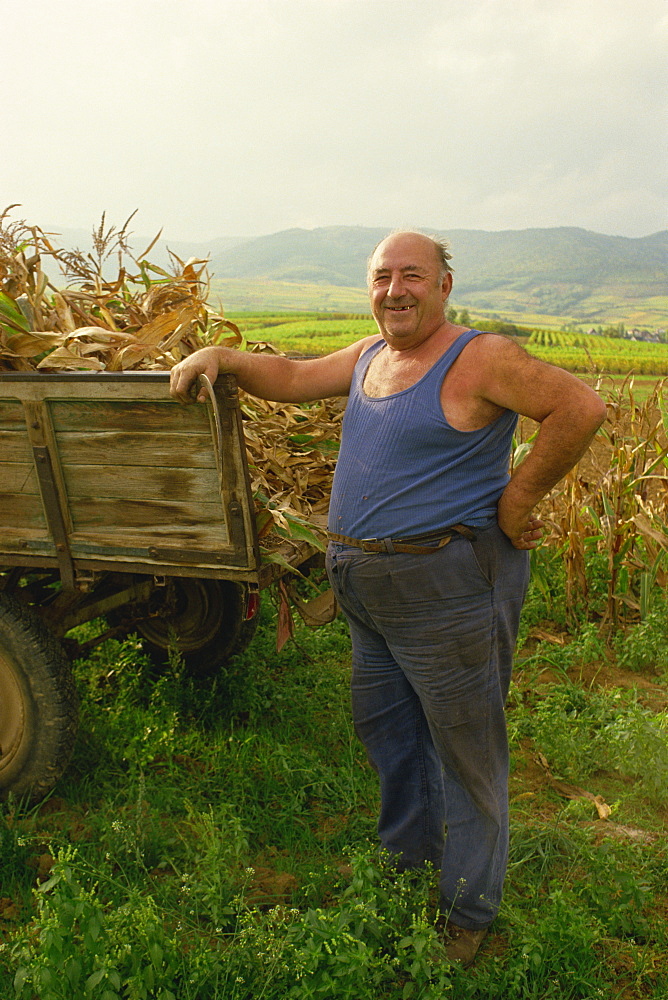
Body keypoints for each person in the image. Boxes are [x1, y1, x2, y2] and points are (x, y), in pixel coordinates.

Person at [170, 230, 607, 967]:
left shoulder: (480, 358)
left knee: (467, 754)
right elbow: (294, 373)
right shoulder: (374, 356)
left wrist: (519, 495)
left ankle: (467, 914)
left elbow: (581, 407)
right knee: (392, 738)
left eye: (412, 275)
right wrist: (221, 358)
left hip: (449, 589)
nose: (395, 290)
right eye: (382, 277)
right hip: (369, 595)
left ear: (443, 285)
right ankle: (405, 870)